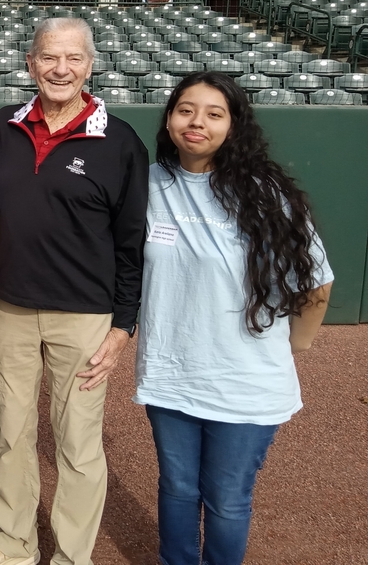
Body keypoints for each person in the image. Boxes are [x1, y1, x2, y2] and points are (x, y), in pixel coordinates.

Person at [0, 17, 148, 565]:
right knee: (10, 434)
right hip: (8, 310)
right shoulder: (2, 125)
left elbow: (132, 241)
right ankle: (14, 543)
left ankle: (72, 556)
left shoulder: (120, 141)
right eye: (49, 57)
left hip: (84, 319)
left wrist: (123, 325)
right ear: (30, 63)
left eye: (72, 59)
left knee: (77, 444)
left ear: (90, 65)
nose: (60, 69)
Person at [135, 71, 332, 565]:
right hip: (171, 375)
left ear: (233, 126)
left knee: (226, 499)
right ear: (169, 119)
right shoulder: (151, 183)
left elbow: (316, 284)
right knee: (177, 488)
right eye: (185, 110)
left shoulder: (267, 194)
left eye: (213, 113)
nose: (196, 122)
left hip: (244, 380)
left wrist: (293, 347)